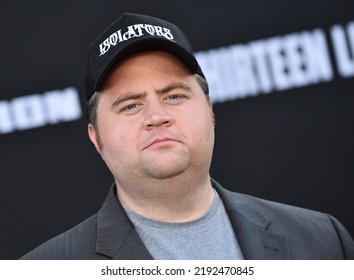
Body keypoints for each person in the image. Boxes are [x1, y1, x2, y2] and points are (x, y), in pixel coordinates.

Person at [21, 12, 354, 260]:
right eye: (131, 104)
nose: (157, 116)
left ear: (210, 111)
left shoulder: (323, 240)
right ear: (96, 138)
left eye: (174, 96)